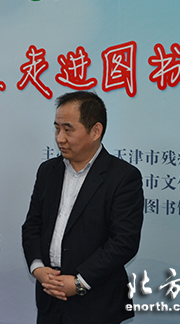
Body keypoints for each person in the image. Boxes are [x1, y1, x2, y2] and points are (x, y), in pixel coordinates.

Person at [21, 91, 144, 324]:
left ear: (95, 131)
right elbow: (32, 225)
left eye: (68, 130)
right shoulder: (48, 171)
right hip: (50, 298)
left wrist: (79, 282)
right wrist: (38, 268)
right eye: (57, 128)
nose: (60, 138)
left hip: (97, 303)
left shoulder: (123, 177)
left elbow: (124, 242)